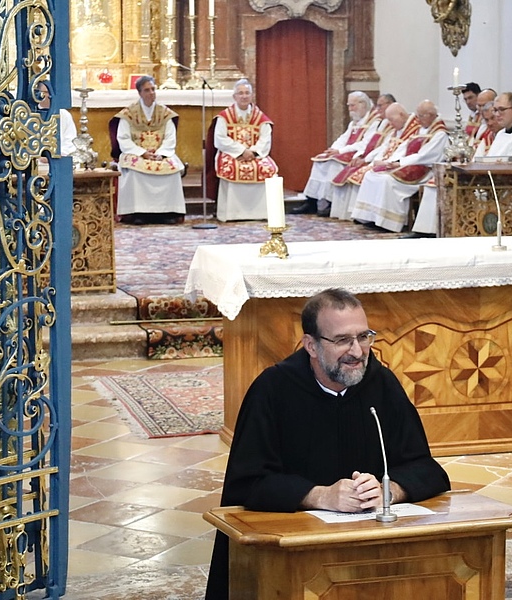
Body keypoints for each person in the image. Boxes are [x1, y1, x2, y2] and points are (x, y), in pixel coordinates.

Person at [204, 288, 451, 600]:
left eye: (364, 337)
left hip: (371, 557)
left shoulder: (382, 384)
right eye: (342, 340)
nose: (357, 351)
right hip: (291, 560)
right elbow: (247, 485)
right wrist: (320, 496)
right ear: (311, 345)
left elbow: (428, 470)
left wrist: (389, 491)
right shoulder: (274, 390)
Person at [408, 93, 512, 238]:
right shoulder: (501, 134)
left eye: (502, 110)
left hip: (508, 191)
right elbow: (487, 160)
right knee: (442, 184)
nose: (497, 114)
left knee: (454, 189)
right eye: (495, 110)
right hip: (490, 181)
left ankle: (450, 233)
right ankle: (431, 232)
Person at [351, 100, 448, 232]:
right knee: (371, 175)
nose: (418, 119)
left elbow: (424, 156)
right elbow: (405, 146)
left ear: (431, 115)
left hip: (424, 169)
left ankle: (389, 222)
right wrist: (392, 161)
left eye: (421, 116)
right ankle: (373, 218)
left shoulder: (440, 133)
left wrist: (399, 163)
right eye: (417, 115)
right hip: (408, 163)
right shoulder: (421, 129)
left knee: (387, 180)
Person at [292, 91, 379, 217]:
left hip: (359, 154)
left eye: (352, 105)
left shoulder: (374, 122)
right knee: (321, 161)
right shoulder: (354, 122)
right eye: (349, 106)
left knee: (333, 164)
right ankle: (311, 201)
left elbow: (365, 144)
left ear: (363, 104)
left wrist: (340, 151)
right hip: (346, 151)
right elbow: (343, 138)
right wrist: (333, 149)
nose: (350, 109)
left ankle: (329, 202)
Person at [114, 75, 186, 225]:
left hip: (161, 153)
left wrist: (161, 154)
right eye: (147, 90)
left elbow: (170, 138)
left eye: (153, 89)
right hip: (136, 153)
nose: (151, 93)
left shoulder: (165, 113)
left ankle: (168, 212)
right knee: (134, 171)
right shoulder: (128, 114)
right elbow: (123, 138)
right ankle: (137, 213)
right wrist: (142, 153)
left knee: (173, 169)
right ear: (139, 93)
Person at [213, 78, 279, 221]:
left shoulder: (260, 118)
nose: (244, 96)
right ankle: (232, 214)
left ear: (251, 95)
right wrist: (242, 151)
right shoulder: (224, 117)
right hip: (232, 154)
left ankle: (261, 213)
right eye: (240, 93)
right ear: (234, 96)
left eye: (247, 93)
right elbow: (220, 139)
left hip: (255, 154)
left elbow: (265, 139)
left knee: (267, 168)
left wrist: (253, 152)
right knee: (231, 167)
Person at [327, 95, 401, 221]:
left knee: (363, 173)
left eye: (380, 105)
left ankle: (364, 216)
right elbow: (370, 144)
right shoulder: (382, 123)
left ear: (390, 104)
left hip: (382, 160)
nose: (377, 109)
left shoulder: (392, 125)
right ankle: (351, 213)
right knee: (353, 169)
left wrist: (367, 160)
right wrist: (360, 155)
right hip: (373, 157)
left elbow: (383, 147)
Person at [36, 81, 78, 158]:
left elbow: (70, 142)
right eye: (45, 92)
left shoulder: (64, 114)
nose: (48, 96)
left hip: (58, 159)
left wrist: (55, 155)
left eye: (50, 92)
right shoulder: (32, 113)